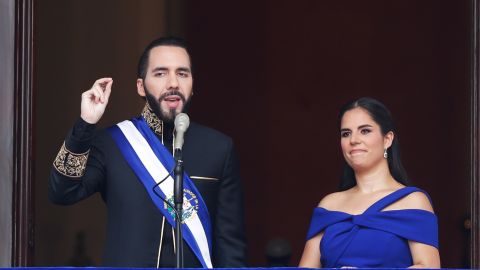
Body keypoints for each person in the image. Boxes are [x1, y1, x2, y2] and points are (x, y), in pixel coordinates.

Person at [49, 37, 247, 268]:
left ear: (193, 85)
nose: (173, 83)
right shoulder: (113, 143)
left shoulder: (218, 148)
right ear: (141, 86)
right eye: (161, 73)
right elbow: (62, 192)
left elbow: (230, 246)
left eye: (182, 74)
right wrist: (85, 124)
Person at [299, 97, 440, 268]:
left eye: (364, 131)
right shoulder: (329, 205)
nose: (353, 140)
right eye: (346, 133)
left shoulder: (414, 201)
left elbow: (428, 267)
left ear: (387, 139)